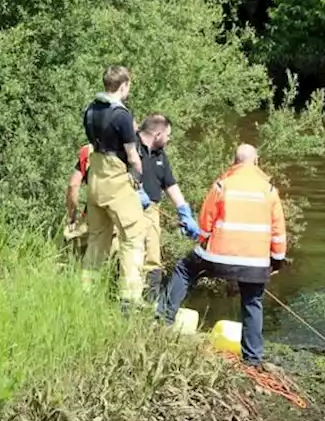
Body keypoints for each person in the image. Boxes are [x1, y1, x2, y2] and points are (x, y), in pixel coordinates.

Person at [159, 144, 287, 369]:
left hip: (218, 255)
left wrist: (203, 239)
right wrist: (277, 260)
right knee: (252, 301)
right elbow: (278, 231)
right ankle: (253, 359)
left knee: (184, 269)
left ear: (234, 161)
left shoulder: (222, 185)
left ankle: (163, 320)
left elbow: (206, 221)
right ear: (256, 162)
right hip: (255, 262)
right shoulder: (269, 191)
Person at [80, 65, 148, 308]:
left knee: (98, 237)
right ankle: (130, 297)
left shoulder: (90, 109)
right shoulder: (122, 115)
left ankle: (86, 291)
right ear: (123, 86)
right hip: (116, 180)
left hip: (95, 176)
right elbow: (132, 155)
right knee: (133, 236)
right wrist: (139, 183)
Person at [134, 114, 203, 303]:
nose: (169, 139)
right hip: (128, 208)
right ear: (157, 134)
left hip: (151, 210)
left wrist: (184, 211)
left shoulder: (160, 155)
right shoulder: (131, 146)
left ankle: (149, 302)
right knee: (129, 253)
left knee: (152, 258)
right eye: (168, 135)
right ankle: (125, 300)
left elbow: (170, 185)